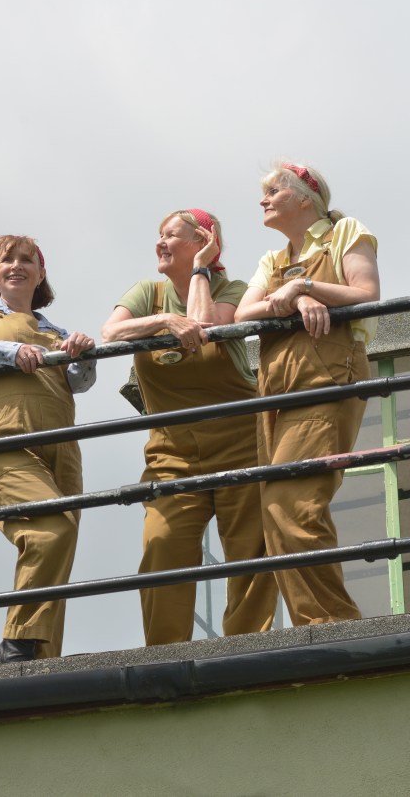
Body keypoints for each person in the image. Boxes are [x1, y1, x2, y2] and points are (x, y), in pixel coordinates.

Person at [101, 210, 278, 645]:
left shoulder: (232, 290)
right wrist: (164, 321)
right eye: (159, 235)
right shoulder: (148, 293)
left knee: (251, 552)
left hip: (242, 442)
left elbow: (206, 328)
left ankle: (248, 649)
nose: (160, 243)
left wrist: (200, 269)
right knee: (162, 546)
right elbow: (111, 332)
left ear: (203, 241)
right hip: (172, 453)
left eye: (171, 235)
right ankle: (165, 656)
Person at [0, 235, 96, 665]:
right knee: (51, 531)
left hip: (62, 447)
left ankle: (42, 658)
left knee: (62, 545)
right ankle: (16, 643)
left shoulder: (56, 331)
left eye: (27, 260)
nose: (16, 266)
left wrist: (84, 356)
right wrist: (10, 351)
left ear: (41, 275)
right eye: (7, 259)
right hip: (5, 436)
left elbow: (78, 383)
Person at [235, 160, 380, 626]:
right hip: (276, 392)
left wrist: (304, 284)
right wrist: (297, 298)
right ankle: (313, 624)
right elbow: (242, 314)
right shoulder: (272, 259)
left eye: (273, 191)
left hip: (326, 380)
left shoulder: (346, 232)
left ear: (304, 197)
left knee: (291, 504)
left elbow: (367, 294)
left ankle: (332, 624)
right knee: (275, 511)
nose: (263, 200)